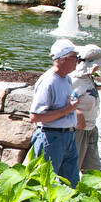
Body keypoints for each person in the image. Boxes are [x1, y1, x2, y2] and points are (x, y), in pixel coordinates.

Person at [28, 38, 82, 185]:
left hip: (68, 136)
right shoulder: (48, 82)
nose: (78, 60)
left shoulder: (67, 79)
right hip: (51, 138)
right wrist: (68, 110)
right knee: (43, 184)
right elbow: (35, 116)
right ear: (63, 59)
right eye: (75, 57)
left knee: (72, 184)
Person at [70, 44, 101, 175]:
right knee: (72, 170)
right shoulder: (76, 80)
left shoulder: (89, 78)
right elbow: (66, 102)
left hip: (90, 129)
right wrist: (78, 115)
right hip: (78, 131)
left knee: (94, 172)